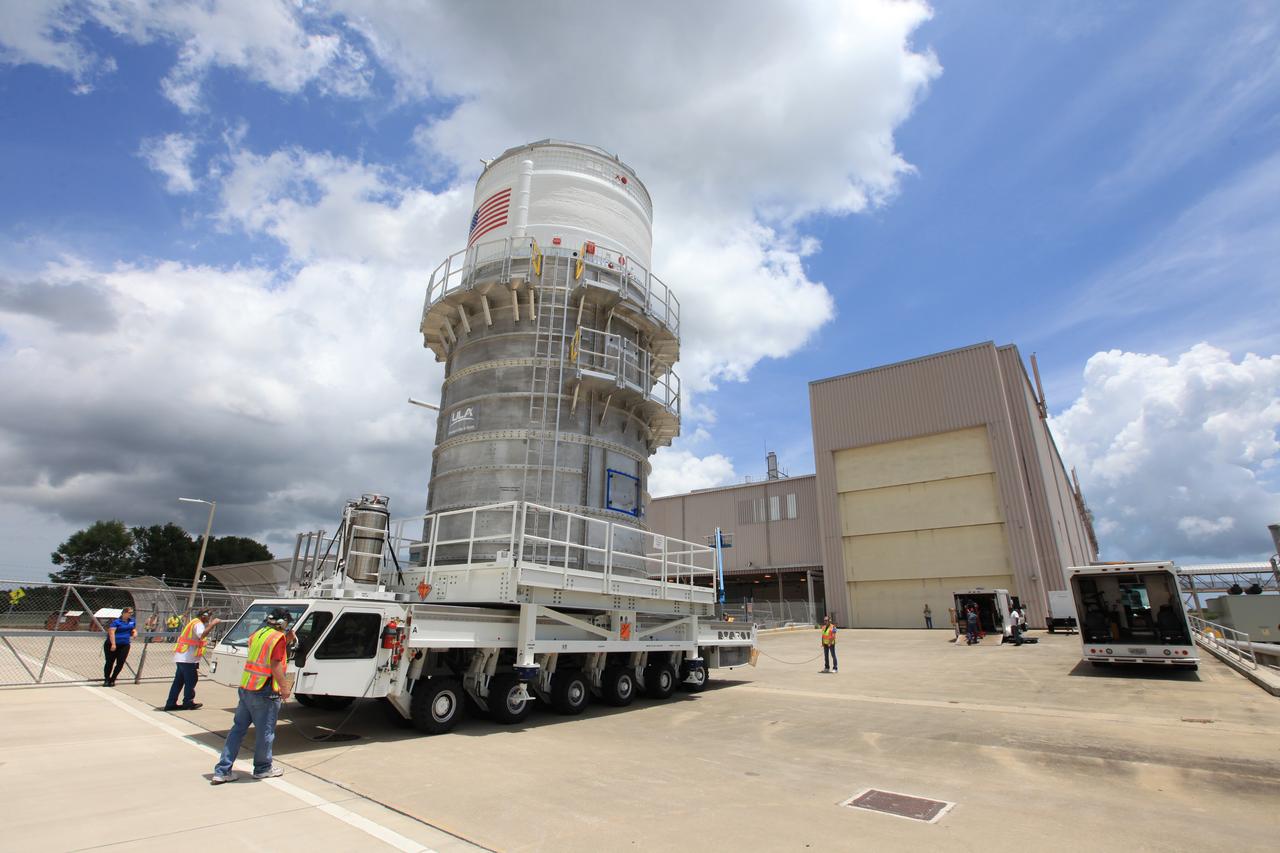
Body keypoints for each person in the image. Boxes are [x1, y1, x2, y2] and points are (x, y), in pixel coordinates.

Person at [211, 608, 294, 784]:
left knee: (237, 730)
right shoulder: (277, 638)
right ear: (282, 623)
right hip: (265, 691)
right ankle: (263, 768)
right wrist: (285, 687)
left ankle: (222, 770)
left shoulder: (258, 634)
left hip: (247, 687)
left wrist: (286, 640)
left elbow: (263, 651)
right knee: (265, 732)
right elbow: (275, 663)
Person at [164, 609, 221, 711]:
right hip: (187, 658)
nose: (209, 619)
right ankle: (188, 702)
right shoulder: (198, 624)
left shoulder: (193, 622)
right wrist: (212, 624)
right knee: (191, 680)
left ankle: (171, 703)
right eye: (209, 616)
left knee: (178, 682)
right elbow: (202, 635)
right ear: (204, 616)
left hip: (183, 657)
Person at [102, 607, 137, 686]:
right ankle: (107, 679)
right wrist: (113, 644)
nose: (131, 614)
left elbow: (133, 628)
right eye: (129, 612)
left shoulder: (132, 621)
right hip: (112, 644)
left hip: (124, 644)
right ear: (124, 613)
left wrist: (134, 632)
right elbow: (111, 632)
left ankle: (113, 679)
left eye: (132, 613)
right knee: (109, 662)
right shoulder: (116, 622)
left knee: (120, 662)